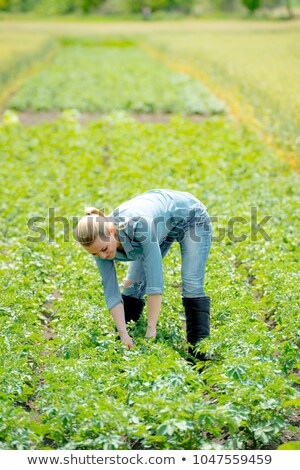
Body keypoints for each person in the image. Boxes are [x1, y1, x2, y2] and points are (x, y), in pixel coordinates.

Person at [74, 189, 212, 362]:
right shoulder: (98, 243)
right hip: (160, 223)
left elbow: (155, 280)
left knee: (191, 283)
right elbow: (110, 291)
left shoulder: (139, 226)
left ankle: (199, 353)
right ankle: (126, 345)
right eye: (94, 254)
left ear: (111, 230)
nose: (102, 256)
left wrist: (151, 329)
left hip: (191, 217)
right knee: (132, 288)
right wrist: (123, 334)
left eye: (103, 250)